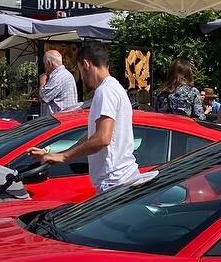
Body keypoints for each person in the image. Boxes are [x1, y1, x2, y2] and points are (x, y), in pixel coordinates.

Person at [29, 40, 139, 193]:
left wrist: (64, 157)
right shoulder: (115, 88)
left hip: (114, 182)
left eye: (79, 70)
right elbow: (92, 136)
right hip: (118, 180)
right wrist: (56, 155)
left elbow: (102, 138)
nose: (81, 76)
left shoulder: (105, 91)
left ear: (86, 65)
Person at [38, 49, 79, 116]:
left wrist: (42, 82)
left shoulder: (57, 77)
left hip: (58, 121)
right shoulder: (64, 74)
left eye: (44, 63)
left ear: (49, 63)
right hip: (64, 119)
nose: (44, 66)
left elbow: (43, 98)